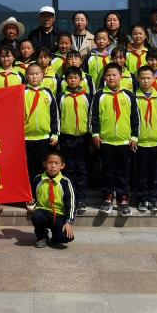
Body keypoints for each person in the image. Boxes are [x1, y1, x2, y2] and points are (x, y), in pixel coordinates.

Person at [90, 63, 139, 216]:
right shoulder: (99, 95)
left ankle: (123, 198)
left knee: (123, 171)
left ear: (121, 76)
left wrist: (134, 136)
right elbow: (93, 116)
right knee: (107, 171)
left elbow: (135, 117)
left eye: (114, 75)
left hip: (124, 141)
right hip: (106, 141)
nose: (111, 78)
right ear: (104, 77)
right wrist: (95, 134)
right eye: (108, 75)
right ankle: (108, 197)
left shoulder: (129, 95)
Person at [134, 65, 157, 213]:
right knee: (141, 173)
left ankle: (153, 199)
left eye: (148, 78)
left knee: (154, 174)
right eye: (142, 78)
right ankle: (142, 199)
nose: (146, 81)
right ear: (138, 79)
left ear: (153, 79)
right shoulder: (134, 98)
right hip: (140, 142)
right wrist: (133, 138)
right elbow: (132, 120)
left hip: (155, 142)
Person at [56, 66, 91, 215]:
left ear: (81, 79)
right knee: (68, 169)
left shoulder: (87, 97)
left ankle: (81, 198)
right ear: (65, 80)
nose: (72, 80)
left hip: (83, 138)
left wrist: (91, 136)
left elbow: (91, 117)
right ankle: (70, 197)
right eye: (69, 78)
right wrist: (57, 136)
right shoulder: (61, 97)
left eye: (75, 77)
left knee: (81, 169)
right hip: (66, 138)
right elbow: (57, 117)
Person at [26, 149, 76, 249]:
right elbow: (31, 197)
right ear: (44, 164)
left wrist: (68, 222)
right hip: (42, 212)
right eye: (50, 162)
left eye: (56, 163)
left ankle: (56, 235)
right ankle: (42, 237)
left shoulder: (65, 182)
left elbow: (71, 203)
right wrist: (30, 204)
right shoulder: (38, 179)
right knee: (36, 215)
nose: (53, 166)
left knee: (66, 237)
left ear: (62, 165)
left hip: (59, 215)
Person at [23, 63, 58, 178]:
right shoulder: (22, 92)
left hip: (44, 137)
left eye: (37, 74)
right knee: (28, 167)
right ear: (26, 75)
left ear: (42, 75)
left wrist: (55, 134)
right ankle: (30, 189)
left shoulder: (47, 92)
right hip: (27, 138)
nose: (34, 77)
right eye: (31, 74)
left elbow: (54, 115)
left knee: (43, 167)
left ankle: (42, 188)